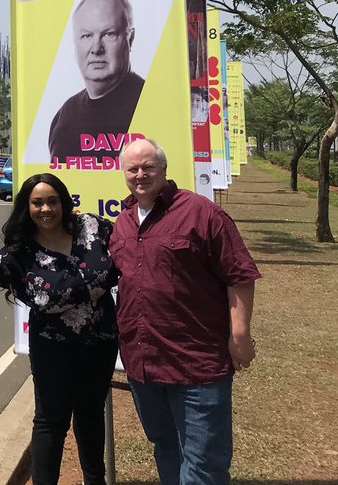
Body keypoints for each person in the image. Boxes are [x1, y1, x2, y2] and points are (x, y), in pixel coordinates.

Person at [109, 138, 261, 485]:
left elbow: (239, 274)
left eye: (148, 167)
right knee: (165, 446)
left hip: (196, 366)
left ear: (164, 170)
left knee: (203, 462)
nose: (140, 174)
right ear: (124, 174)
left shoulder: (201, 213)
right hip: (143, 364)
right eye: (132, 168)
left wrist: (239, 335)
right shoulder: (123, 223)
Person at [0, 174, 119, 485]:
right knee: (51, 421)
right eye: (37, 202)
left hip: (100, 343)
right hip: (53, 349)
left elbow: (126, 251)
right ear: (28, 207)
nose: (46, 208)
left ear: (64, 202)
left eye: (52, 201)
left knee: (90, 414)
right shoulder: (22, 252)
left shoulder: (91, 227)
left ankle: (94, 479)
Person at [48, 0, 144, 165]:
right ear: (75, 42)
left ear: (131, 38)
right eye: (86, 36)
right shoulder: (64, 115)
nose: (96, 48)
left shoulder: (149, 102)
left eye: (109, 34)